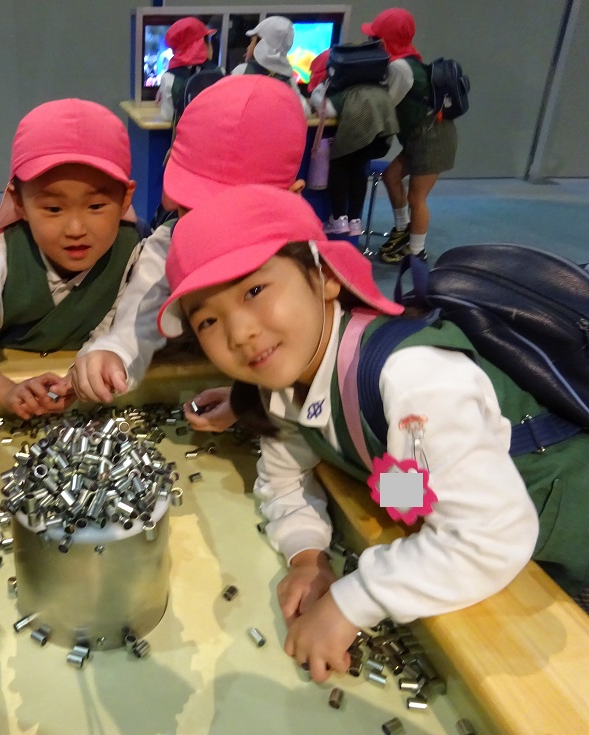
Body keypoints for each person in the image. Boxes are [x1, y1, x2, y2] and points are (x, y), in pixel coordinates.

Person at [157, 183, 589, 681]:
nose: (240, 333)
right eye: (209, 320)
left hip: (565, 551)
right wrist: (306, 555)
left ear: (325, 277)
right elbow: (284, 479)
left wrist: (351, 601)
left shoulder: (412, 381)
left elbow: (490, 535)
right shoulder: (284, 388)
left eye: (254, 291)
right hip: (509, 572)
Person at [66, 76, 306, 423]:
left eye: (230, 214)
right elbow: (141, 311)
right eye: (188, 210)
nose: (203, 230)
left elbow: (327, 365)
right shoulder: (169, 243)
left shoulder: (306, 264)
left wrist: (260, 400)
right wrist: (114, 353)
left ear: (291, 201)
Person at [0, 98, 142, 420]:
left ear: (125, 197)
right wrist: (5, 390)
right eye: (53, 209)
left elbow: (115, 327)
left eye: (96, 206)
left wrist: (80, 375)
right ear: (18, 202)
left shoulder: (135, 254)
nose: (76, 229)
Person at [363, 8, 457, 263]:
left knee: (417, 197)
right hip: (419, 136)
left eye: (375, 37)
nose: (372, 42)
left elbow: (386, 104)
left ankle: (416, 252)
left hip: (432, 138)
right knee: (391, 176)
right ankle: (403, 230)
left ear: (386, 40)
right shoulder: (405, 61)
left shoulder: (400, 67)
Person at [308, 49, 399, 237]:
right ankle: (355, 221)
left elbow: (328, 110)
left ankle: (339, 219)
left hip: (355, 135)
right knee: (358, 170)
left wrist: (320, 90)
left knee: (339, 166)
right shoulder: (377, 88)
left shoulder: (345, 90)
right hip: (380, 138)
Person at [230, 16, 310, 114]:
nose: (248, 47)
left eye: (252, 41)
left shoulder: (242, 71)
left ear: (261, 44)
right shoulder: (287, 78)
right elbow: (304, 110)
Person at [156, 17, 218, 123]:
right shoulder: (219, 72)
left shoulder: (169, 78)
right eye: (209, 41)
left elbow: (168, 116)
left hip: (184, 133)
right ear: (202, 45)